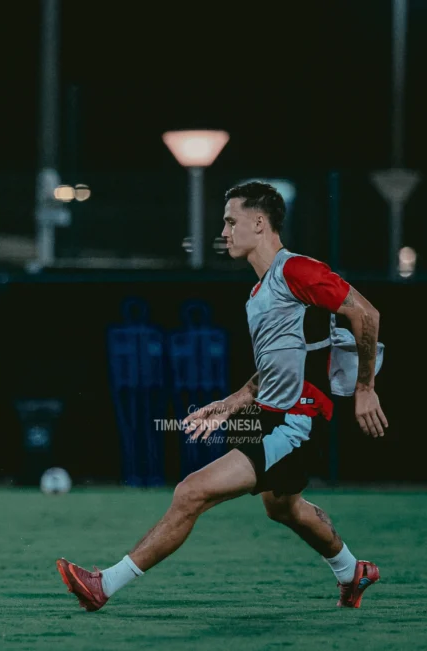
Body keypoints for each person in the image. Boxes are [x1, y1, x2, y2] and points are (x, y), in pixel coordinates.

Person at [56, 181, 387, 611]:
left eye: (231, 221)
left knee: (191, 492)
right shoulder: (260, 292)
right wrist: (233, 401)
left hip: (294, 420)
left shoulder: (295, 270)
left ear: (259, 222)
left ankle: (103, 584)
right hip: (273, 414)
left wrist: (365, 388)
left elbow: (365, 313)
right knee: (284, 509)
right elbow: (279, 363)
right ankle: (352, 571)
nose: (225, 231)